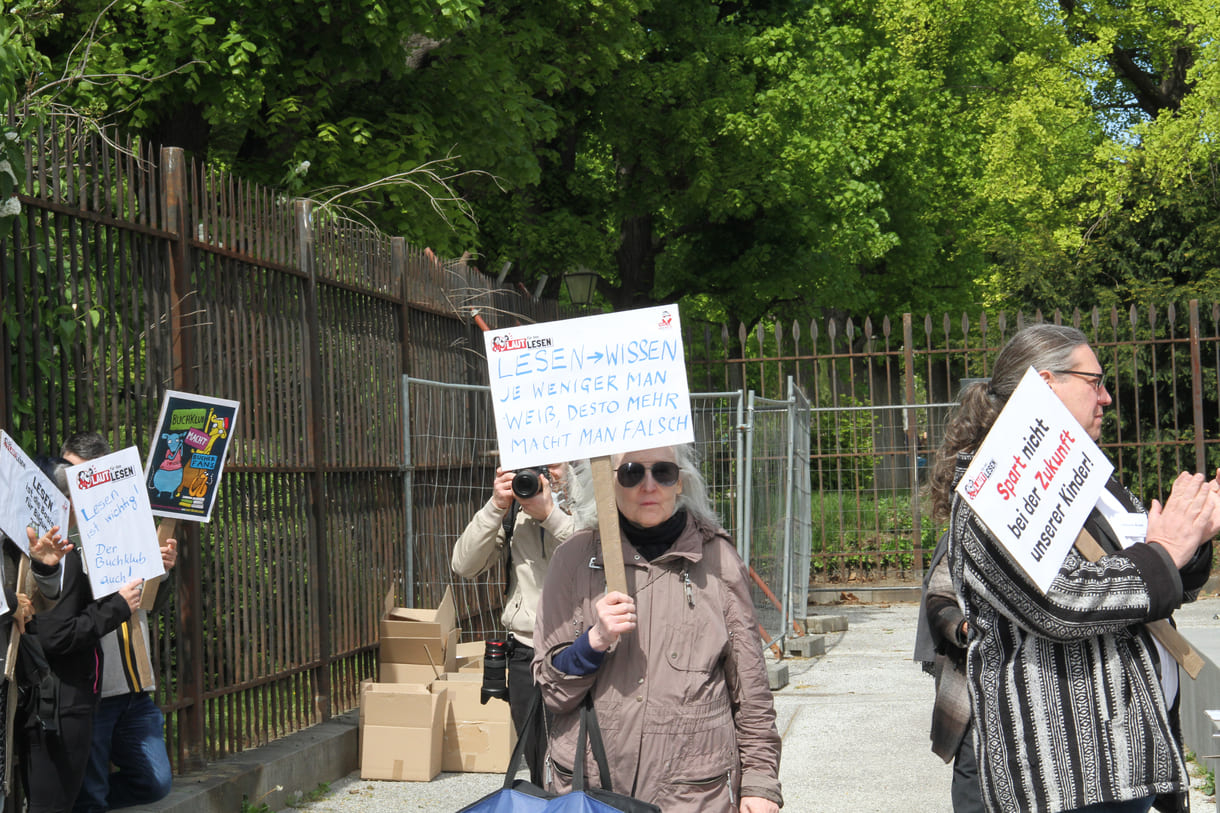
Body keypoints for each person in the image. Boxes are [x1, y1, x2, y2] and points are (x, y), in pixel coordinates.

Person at [928, 323, 1220, 813]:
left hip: (1125, 762)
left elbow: (1148, 579)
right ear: (1045, 385)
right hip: (1063, 778)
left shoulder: (1089, 477)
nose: (1106, 398)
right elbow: (1062, 601)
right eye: (1094, 381)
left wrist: (1194, 536)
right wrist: (1166, 550)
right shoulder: (996, 487)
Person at [533, 445, 782, 813]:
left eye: (663, 472)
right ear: (607, 483)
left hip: (694, 795)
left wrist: (760, 785)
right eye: (631, 472)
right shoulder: (573, 559)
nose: (648, 486)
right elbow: (552, 693)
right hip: (592, 792)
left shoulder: (718, 561)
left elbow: (751, 689)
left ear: (680, 482)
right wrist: (594, 642)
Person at [20, 456, 143, 813]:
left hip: (61, 701)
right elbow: (56, 636)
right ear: (64, 500)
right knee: (55, 802)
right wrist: (117, 608)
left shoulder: (47, 550)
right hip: (59, 705)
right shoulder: (58, 556)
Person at [63, 432, 177, 813]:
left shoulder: (129, 519)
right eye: (65, 473)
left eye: (80, 475)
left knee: (155, 781)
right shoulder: (55, 536)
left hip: (134, 688)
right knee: (90, 795)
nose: (70, 484)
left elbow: (150, 603)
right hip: (89, 692)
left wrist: (161, 570)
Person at [451, 462, 579, 785]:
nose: (542, 476)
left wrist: (553, 510)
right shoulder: (514, 512)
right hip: (525, 653)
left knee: (579, 763)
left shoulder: (588, 499)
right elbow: (463, 564)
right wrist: (497, 506)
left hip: (582, 652)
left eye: (551, 466)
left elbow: (601, 554)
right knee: (538, 762)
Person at [913, 532, 983, 812]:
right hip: (972, 677)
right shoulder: (961, 535)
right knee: (973, 768)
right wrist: (969, 628)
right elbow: (940, 598)